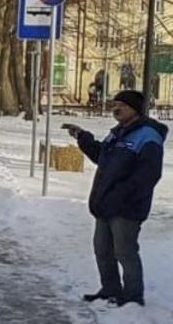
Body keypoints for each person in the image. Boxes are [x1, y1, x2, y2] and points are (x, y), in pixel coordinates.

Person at [64, 90, 165, 307]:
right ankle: (110, 288)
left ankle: (133, 296)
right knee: (102, 250)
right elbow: (102, 157)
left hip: (127, 207)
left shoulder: (148, 136)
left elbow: (148, 175)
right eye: (114, 105)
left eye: (122, 105)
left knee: (125, 252)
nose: (116, 109)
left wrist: (122, 196)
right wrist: (82, 137)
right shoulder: (117, 133)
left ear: (135, 110)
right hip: (105, 204)